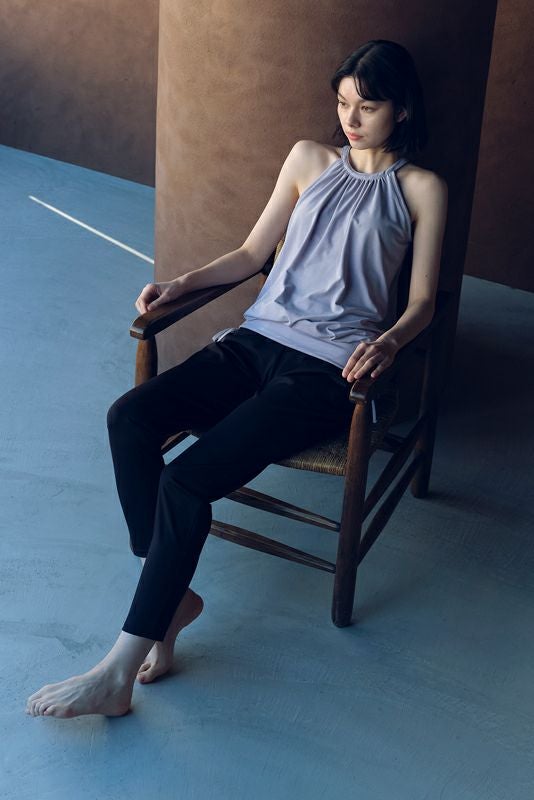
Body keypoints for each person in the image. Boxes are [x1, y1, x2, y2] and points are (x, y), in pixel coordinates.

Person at [26, 39, 447, 718]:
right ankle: (170, 600)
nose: (350, 118)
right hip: (254, 343)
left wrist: (389, 342)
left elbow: (422, 301)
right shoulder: (308, 159)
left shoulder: (421, 189)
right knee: (128, 418)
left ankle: (118, 671)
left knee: (185, 480)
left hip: (326, 370)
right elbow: (253, 252)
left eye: (367, 106)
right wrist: (181, 283)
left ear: (401, 110)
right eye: (343, 102)